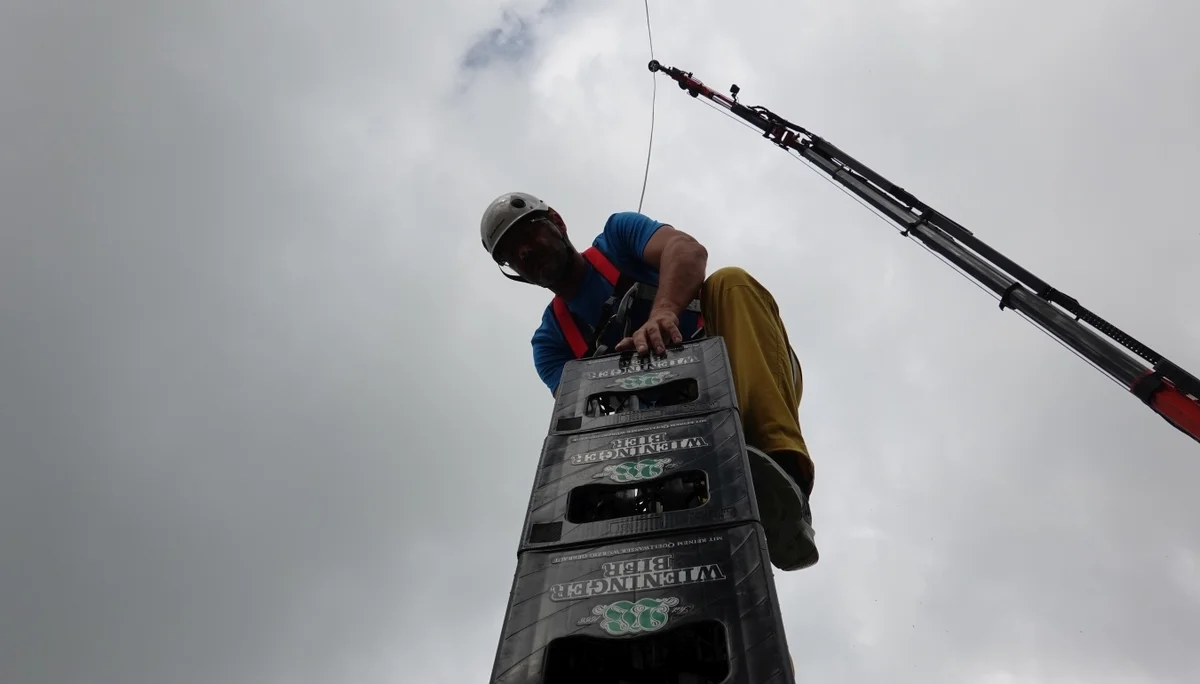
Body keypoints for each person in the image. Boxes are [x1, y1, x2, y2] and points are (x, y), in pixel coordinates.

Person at [480, 191, 818, 571]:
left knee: (731, 282)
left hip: (745, 380)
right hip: (673, 440)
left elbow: (687, 251)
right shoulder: (551, 342)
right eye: (510, 253)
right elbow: (581, 425)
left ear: (557, 222)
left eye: (527, 234)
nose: (523, 253)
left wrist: (664, 312)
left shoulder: (618, 238)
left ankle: (782, 482)